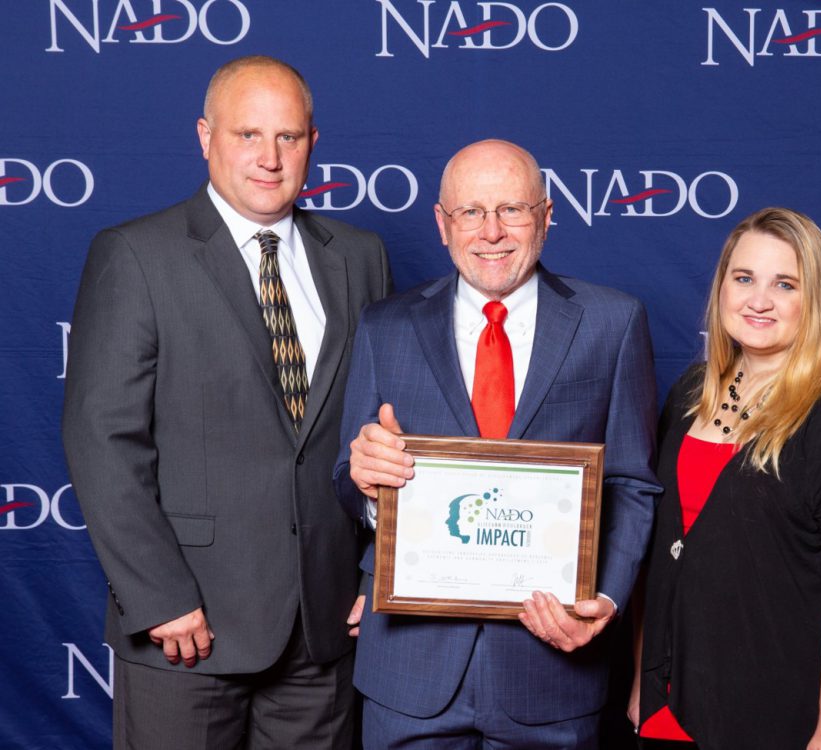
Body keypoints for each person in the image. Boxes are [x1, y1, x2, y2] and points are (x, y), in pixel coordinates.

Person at [62, 55, 392, 749]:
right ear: (205, 137)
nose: (270, 159)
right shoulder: (136, 255)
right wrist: (159, 598)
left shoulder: (361, 257)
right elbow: (103, 441)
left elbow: (380, 431)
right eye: (248, 135)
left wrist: (378, 573)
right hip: (189, 629)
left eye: (289, 138)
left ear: (312, 144)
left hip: (323, 626)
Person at [333, 139, 661, 748]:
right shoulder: (386, 325)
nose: (491, 232)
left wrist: (607, 600)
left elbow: (633, 485)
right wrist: (368, 485)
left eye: (512, 209)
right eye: (470, 213)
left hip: (551, 671)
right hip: (411, 674)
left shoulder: (612, 323)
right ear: (442, 223)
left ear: (546, 214)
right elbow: (345, 479)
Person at [628, 207, 821, 750]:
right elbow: (667, 554)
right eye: (743, 278)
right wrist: (644, 681)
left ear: (814, 299)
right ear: (722, 285)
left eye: (785, 284)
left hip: (803, 714)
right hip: (685, 699)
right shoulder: (690, 393)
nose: (758, 300)